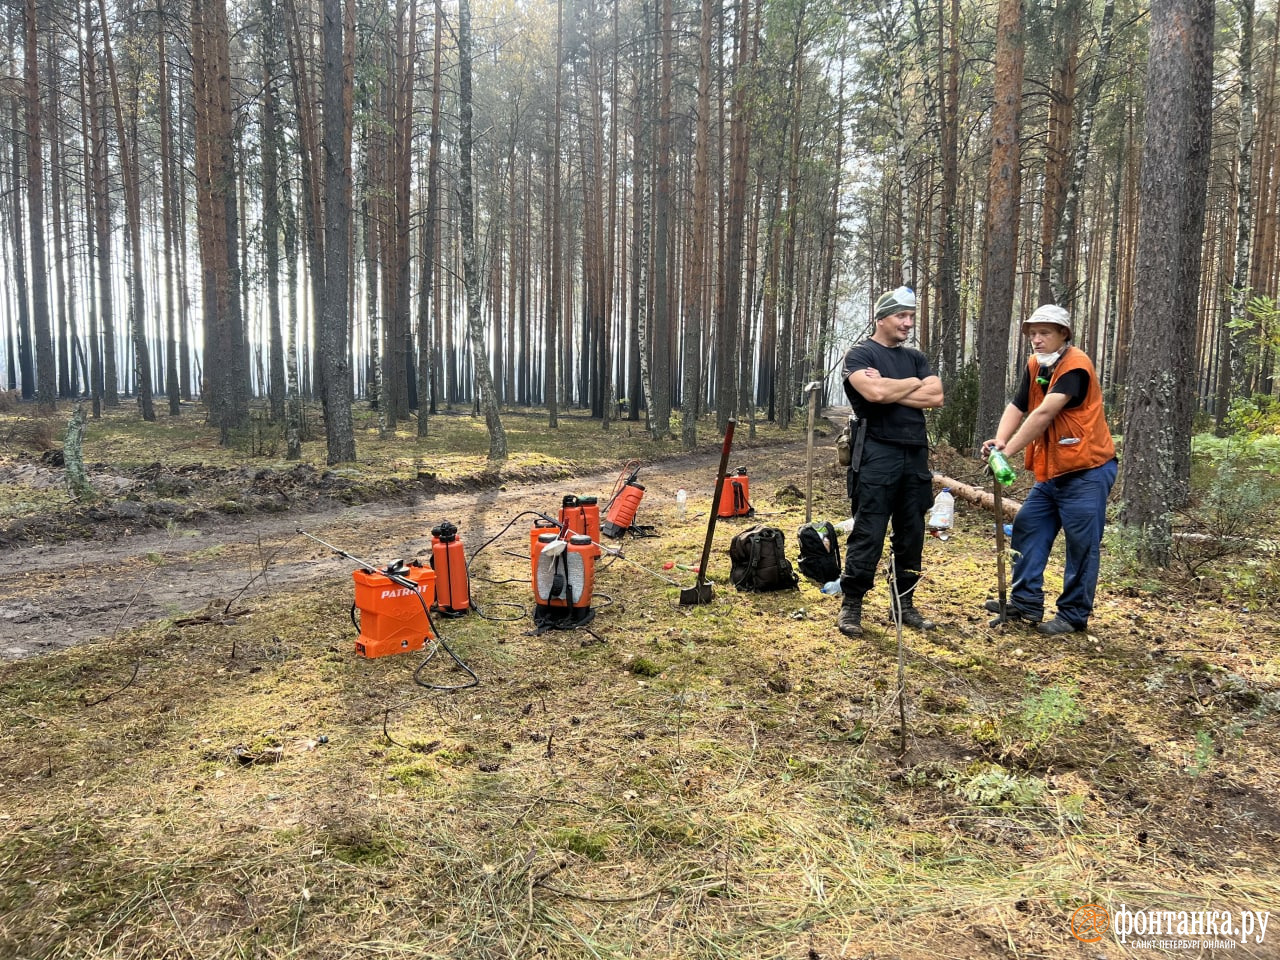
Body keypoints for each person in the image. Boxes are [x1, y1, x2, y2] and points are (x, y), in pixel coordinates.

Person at [980, 303, 1117, 636]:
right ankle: (1025, 602)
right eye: (1032, 334)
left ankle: (1073, 615)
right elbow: (1018, 404)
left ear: (1063, 335)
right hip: (1053, 473)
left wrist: (1008, 452)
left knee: (1081, 545)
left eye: (1045, 333)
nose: (1037, 340)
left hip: (1087, 471)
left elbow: (1042, 415)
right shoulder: (1035, 364)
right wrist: (999, 442)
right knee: (1028, 526)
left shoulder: (1076, 367)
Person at [836, 286, 944, 637]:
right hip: (876, 453)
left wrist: (894, 386)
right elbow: (874, 393)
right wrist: (912, 385)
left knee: (911, 533)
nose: (908, 323)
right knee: (869, 531)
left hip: (914, 454)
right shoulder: (859, 354)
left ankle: (904, 605)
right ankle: (852, 606)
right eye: (901, 316)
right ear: (881, 318)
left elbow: (937, 396)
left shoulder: (914, 357)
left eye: (911, 317)